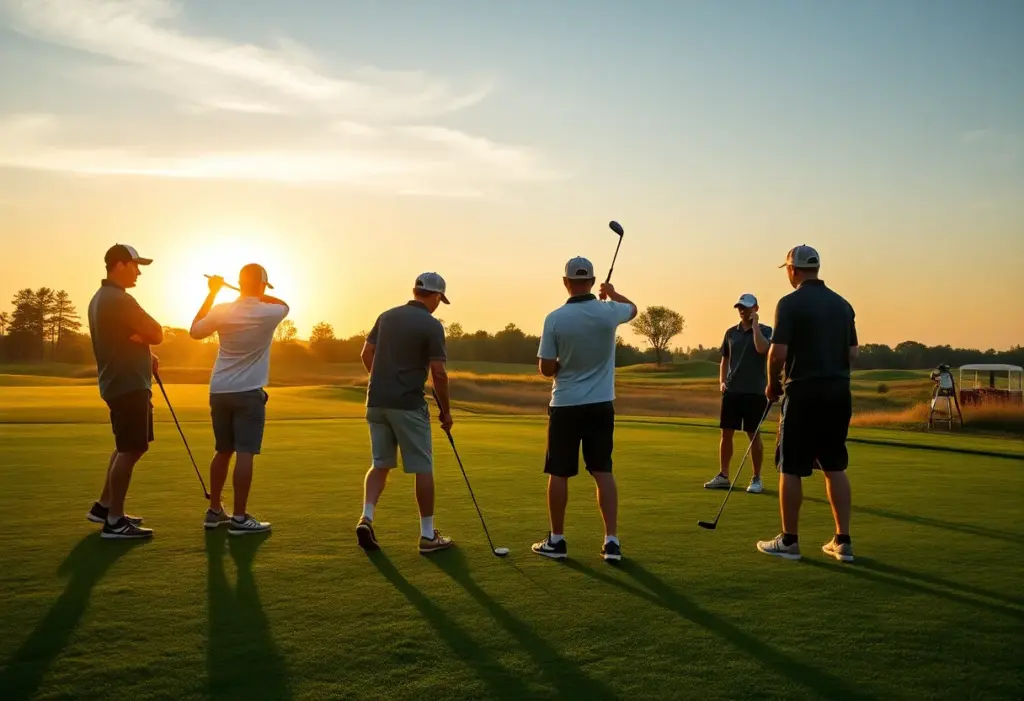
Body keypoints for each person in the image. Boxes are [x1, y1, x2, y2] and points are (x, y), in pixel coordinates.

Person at [531, 257, 638, 562]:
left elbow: (546, 369)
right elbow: (633, 308)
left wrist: (563, 363)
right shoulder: (609, 312)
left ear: (565, 282)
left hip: (565, 405)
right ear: (591, 282)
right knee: (603, 471)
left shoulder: (554, 318)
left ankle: (557, 540)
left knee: (559, 473)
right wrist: (613, 293)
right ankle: (612, 542)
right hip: (600, 406)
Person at [757, 245, 858, 562]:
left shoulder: (789, 303)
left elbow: (778, 353)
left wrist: (772, 384)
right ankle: (843, 541)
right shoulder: (843, 305)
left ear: (792, 269)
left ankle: (789, 541)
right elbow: (853, 354)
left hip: (803, 393)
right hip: (839, 393)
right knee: (834, 464)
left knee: (791, 466)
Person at [355, 272, 455, 554]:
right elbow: (439, 373)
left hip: (376, 403)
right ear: (435, 296)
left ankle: (367, 518)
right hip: (408, 404)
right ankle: (427, 535)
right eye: (439, 299)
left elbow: (366, 353)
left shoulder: (386, 316)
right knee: (422, 467)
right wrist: (446, 412)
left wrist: (380, 380)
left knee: (380, 463)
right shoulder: (432, 325)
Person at [189, 264, 289, 535]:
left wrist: (212, 294)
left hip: (219, 390)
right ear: (261, 285)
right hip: (249, 391)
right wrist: (257, 294)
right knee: (245, 452)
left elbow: (195, 330)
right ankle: (240, 518)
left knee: (223, 450)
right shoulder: (270, 312)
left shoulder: (221, 309)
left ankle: (214, 511)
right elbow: (283, 304)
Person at [86, 244, 163, 539]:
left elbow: (125, 338)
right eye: (135, 265)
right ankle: (115, 522)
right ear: (119, 265)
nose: (139, 271)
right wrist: (147, 340)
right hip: (128, 383)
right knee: (132, 448)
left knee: (126, 446)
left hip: (122, 381)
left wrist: (144, 351)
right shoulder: (119, 299)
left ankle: (104, 507)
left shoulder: (100, 298)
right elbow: (158, 332)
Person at [704, 293, 772, 494]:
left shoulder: (767, 331)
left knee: (753, 434)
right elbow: (725, 358)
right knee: (726, 433)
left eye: (746, 307)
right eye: (740, 307)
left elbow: (762, 349)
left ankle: (756, 478)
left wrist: (756, 326)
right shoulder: (730, 332)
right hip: (733, 390)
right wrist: (722, 381)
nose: (742, 311)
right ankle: (723, 475)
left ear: (755, 309)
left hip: (755, 391)